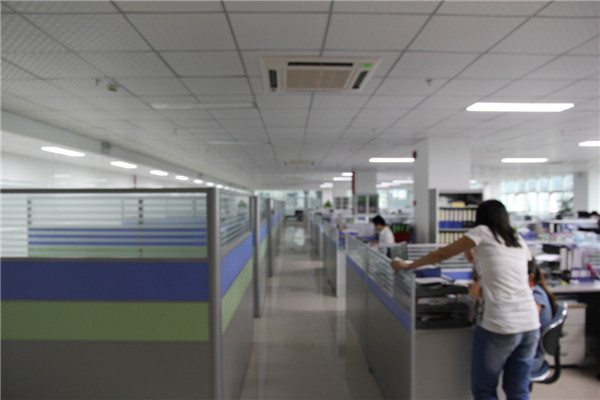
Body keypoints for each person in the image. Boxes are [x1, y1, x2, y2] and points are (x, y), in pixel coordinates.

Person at [391, 200, 540, 400]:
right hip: (530, 324)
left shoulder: (482, 232)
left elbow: (442, 253)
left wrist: (408, 266)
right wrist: (477, 261)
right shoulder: (517, 238)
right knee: (518, 390)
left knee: (485, 391)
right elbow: (506, 271)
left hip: (501, 323)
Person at [528, 264, 557, 379]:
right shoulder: (535, 290)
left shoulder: (536, 295)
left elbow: (527, 322)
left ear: (530, 276)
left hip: (533, 359)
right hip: (530, 354)